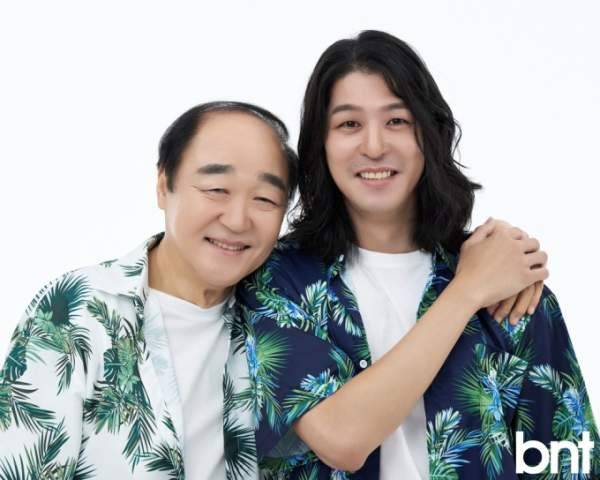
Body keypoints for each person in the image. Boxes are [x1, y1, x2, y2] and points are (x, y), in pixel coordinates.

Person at [237, 31, 599, 478]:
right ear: (320, 144)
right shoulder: (277, 280)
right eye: (349, 124)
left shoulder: (510, 285)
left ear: (429, 133)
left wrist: (478, 280)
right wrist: (466, 292)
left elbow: (567, 457)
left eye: (397, 121)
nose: (374, 146)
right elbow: (340, 439)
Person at [0, 101, 299, 479]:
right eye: (216, 189)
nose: (238, 220)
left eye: (265, 199)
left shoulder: (285, 322)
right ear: (163, 185)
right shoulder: (76, 309)